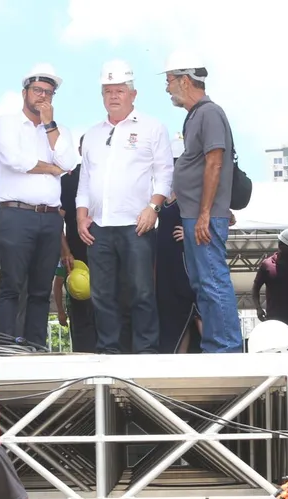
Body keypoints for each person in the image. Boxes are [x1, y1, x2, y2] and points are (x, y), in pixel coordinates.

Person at [77, 60, 173, 354]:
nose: (114, 96)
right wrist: (81, 216)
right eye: (108, 91)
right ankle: (109, 351)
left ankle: (146, 351)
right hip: (99, 226)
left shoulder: (152, 127)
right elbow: (85, 179)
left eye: (119, 90)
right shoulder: (92, 134)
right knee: (102, 294)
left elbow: (165, 173)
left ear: (133, 94)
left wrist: (154, 208)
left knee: (141, 291)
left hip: (136, 224)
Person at [0, 63, 79, 347]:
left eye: (48, 93)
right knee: (12, 286)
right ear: (24, 92)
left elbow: (68, 164)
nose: (42, 96)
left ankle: (36, 346)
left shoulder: (59, 130)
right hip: (16, 214)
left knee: (41, 290)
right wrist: (50, 169)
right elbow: (15, 161)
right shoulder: (7, 122)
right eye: (37, 90)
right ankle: (5, 346)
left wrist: (50, 126)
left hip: (50, 218)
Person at [164, 51, 244, 354]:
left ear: (185, 81)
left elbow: (214, 163)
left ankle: (227, 348)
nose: (167, 88)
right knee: (203, 284)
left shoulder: (209, 113)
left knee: (211, 282)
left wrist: (205, 214)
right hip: (196, 213)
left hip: (203, 216)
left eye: (170, 81)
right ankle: (217, 346)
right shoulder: (196, 115)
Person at [155, 135, 201, 353]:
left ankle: (218, 355)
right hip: (165, 258)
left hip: (184, 256)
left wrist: (190, 232)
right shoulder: (161, 192)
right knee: (174, 316)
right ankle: (176, 362)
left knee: (194, 307)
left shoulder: (192, 191)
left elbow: (223, 216)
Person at [57, 136, 97, 352]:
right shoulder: (69, 180)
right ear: (80, 149)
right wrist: (66, 252)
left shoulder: (115, 175)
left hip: (110, 255)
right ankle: (84, 365)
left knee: (112, 309)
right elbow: (57, 219)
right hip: (78, 259)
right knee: (81, 313)